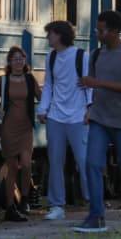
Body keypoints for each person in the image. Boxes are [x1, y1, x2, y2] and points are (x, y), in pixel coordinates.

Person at [75, 10, 121, 233]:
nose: (98, 33)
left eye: (101, 30)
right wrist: (89, 108)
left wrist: (98, 83)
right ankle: (96, 216)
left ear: (114, 31)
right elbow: (93, 86)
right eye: (97, 29)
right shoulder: (95, 55)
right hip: (99, 118)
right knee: (92, 164)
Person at [37, 20, 91, 221]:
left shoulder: (80, 56)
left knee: (84, 159)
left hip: (78, 116)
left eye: (50, 34)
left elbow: (89, 84)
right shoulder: (50, 57)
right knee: (55, 161)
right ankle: (57, 204)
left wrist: (90, 109)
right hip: (55, 117)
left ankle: (92, 200)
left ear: (60, 35)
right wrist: (43, 108)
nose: (47, 37)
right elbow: (49, 85)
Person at [0, 46, 41, 222]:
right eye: (15, 59)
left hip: (26, 128)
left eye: (21, 58)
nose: (18, 62)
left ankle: (24, 199)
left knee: (26, 165)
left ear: (25, 62)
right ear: (9, 62)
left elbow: (42, 97)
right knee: (11, 168)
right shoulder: (2, 81)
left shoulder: (30, 79)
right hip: (8, 128)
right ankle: (10, 206)